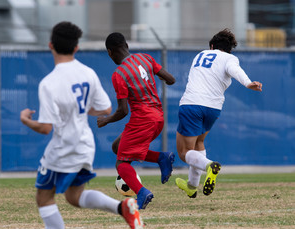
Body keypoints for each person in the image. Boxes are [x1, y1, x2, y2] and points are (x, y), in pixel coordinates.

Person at [20, 22, 143, 229]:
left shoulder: (49, 83)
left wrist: (26, 120)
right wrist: (79, 108)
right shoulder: (88, 73)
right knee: (74, 196)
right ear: (76, 47)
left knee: (44, 198)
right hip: (85, 145)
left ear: (51, 46)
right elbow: (105, 108)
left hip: (63, 147)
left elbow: (45, 128)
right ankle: (123, 208)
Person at [175, 29, 263, 198]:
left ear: (212, 46)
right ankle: (192, 186)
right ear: (229, 49)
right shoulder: (230, 58)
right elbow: (234, 69)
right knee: (199, 143)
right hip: (213, 108)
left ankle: (209, 166)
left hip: (192, 103)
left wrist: (247, 83)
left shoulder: (201, 54)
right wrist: (248, 83)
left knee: (184, 151)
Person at [97, 32, 176, 210]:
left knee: (121, 162)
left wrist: (107, 120)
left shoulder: (119, 74)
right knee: (117, 147)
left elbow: (123, 111)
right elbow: (171, 79)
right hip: (158, 118)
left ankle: (142, 192)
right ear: (127, 45)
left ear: (110, 52)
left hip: (143, 120)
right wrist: (157, 76)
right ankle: (162, 158)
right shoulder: (146, 58)